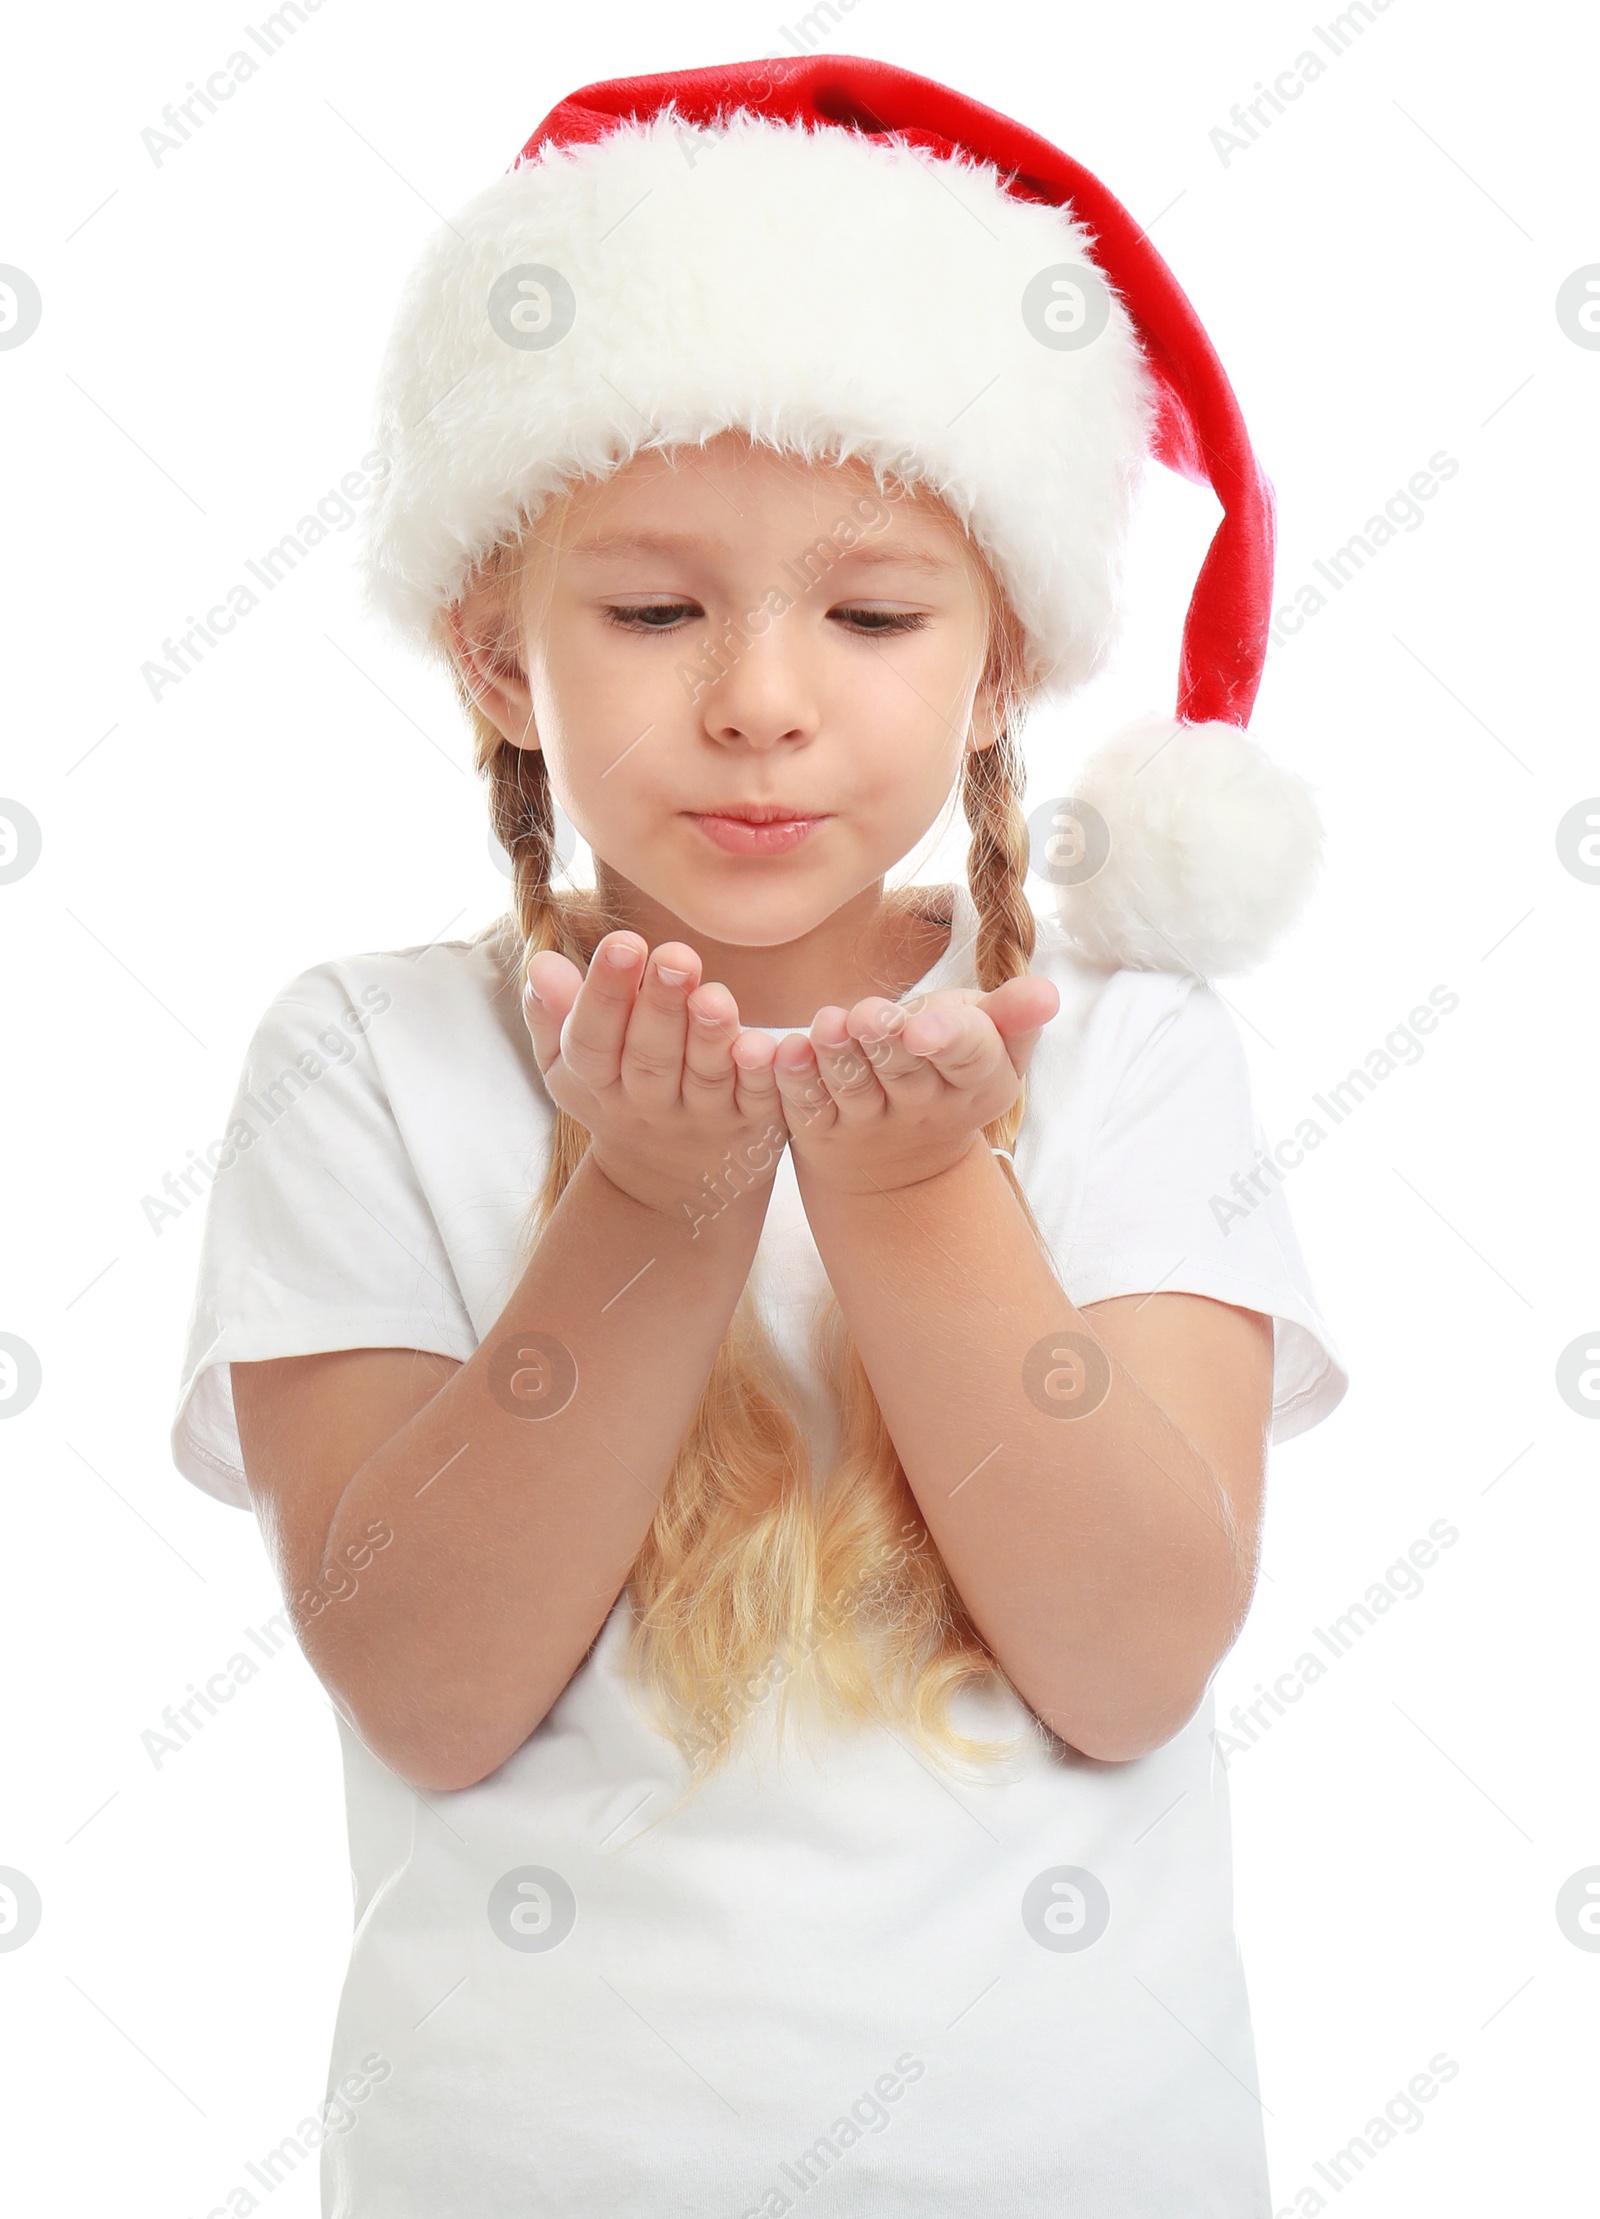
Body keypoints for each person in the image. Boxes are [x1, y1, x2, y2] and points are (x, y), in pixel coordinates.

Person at [169, 53, 1347, 2218]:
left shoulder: (1118, 1056)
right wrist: (647, 1204)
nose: (760, 700)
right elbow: (425, 1684)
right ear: (495, 655)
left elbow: (1127, 1656)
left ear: (1000, 661)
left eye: (874, 614)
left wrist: (913, 1197)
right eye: (649, 609)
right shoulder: (368, 1061)